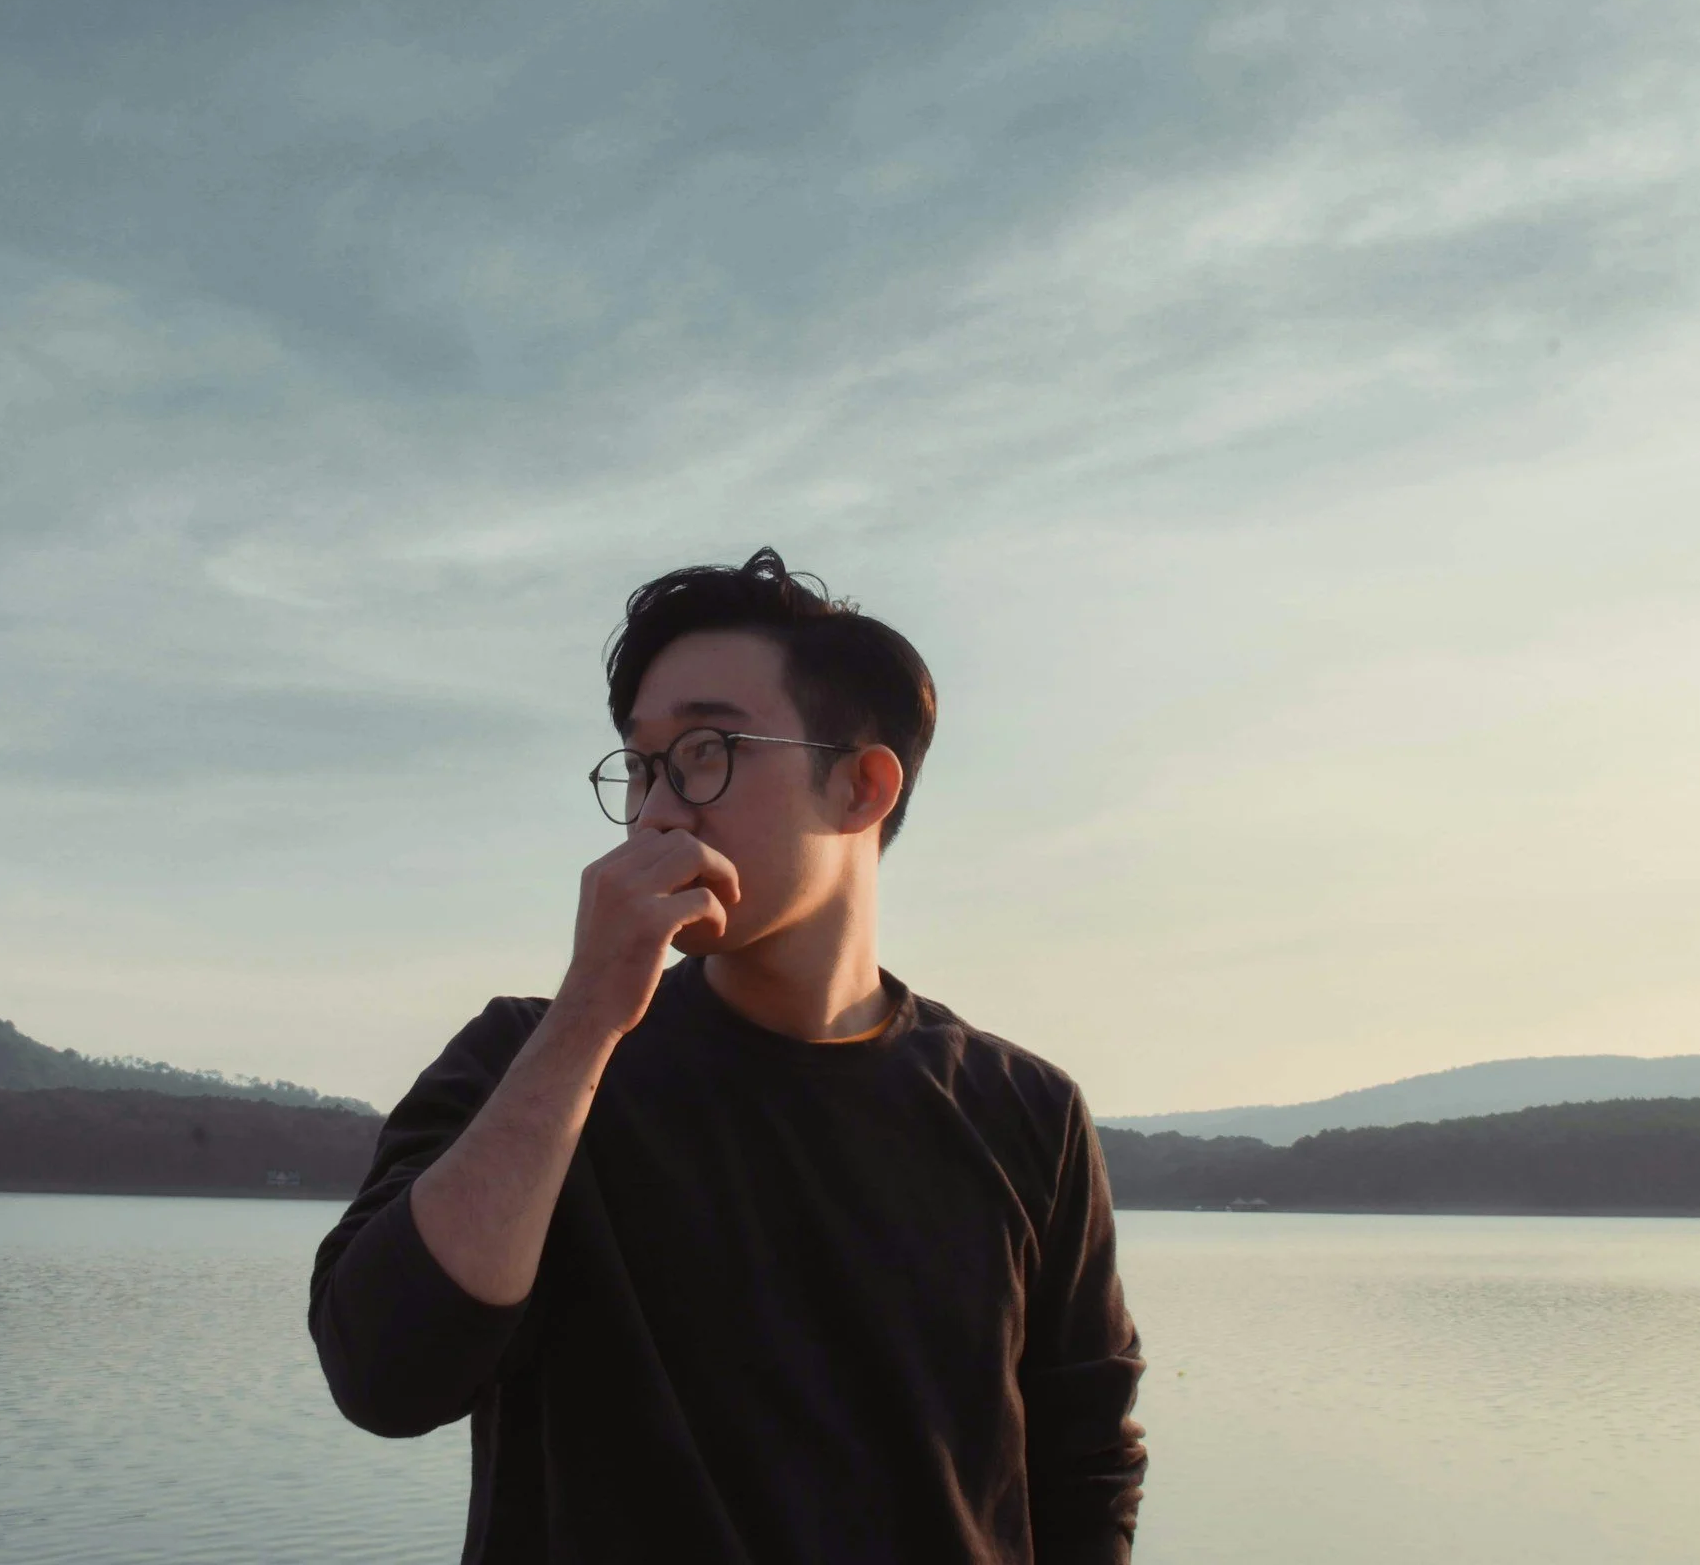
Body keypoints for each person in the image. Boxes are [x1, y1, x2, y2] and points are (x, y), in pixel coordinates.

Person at [308, 548, 1145, 1563]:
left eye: (704, 751)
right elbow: (383, 1376)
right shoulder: (524, 1061)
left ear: (861, 787)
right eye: (643, 765)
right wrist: (584, 1022)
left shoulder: (1025, 1113)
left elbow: (1084, 1460)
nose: (658, 808)